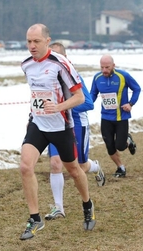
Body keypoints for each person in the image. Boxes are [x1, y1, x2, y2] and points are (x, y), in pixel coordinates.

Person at [19, 24, 95, 240]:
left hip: (61, 126)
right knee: (25, 167)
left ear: (47, 41)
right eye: (28, 41)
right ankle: (35, 218)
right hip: (38, 124)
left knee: (74, 169)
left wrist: (59, 107)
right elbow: (36, 94)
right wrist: (31, 116)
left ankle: (87, 204)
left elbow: (80, 97)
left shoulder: (60, 64)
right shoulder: (26, 65)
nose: (31, 46)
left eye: (36, 41)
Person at [44, 42, 105, 221]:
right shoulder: (44, 77)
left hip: (77, 125)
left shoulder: (73, 76)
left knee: (80, 166)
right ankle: (58, 208)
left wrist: (62, 107)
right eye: (50, 55)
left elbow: (88, 103)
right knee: (55, 163)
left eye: (56, 55)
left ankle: (96, 167)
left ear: (65, 58)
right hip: (55, 125)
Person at [90, 54, 140, 178]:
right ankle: (120, 167)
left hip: (121, 117)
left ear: (113, 65)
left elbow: (137, 89)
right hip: (105, 117)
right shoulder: (97, 78)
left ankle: (127, 140)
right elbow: (93, 94)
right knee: (109, 145)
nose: (104, 70)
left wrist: (130, 103)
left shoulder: (123, 76)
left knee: (120, 146)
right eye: (102, 67)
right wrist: (86, 104)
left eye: (107, 67)